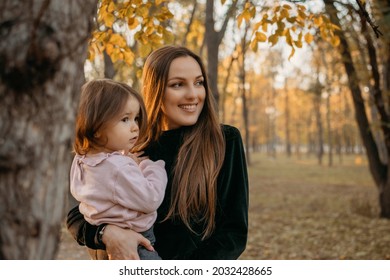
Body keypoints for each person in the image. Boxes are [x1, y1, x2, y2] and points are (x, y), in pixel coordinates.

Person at [67, 45, 249, 260]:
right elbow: (78, 214)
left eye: (199, 83)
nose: (193, 94)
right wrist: (107, 234)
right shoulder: (130, 145)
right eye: (178, 84)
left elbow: (233, 234)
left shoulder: (224, 140)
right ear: (156, 89)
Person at [69, 79, 167, 260]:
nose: (135, 127)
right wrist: (151, 167)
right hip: (137, 244)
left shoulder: (81, 160)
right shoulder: (118, 167)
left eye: (136, 118)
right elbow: (151, 199)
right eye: (125, 119)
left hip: (99, 245)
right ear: (97, 127)